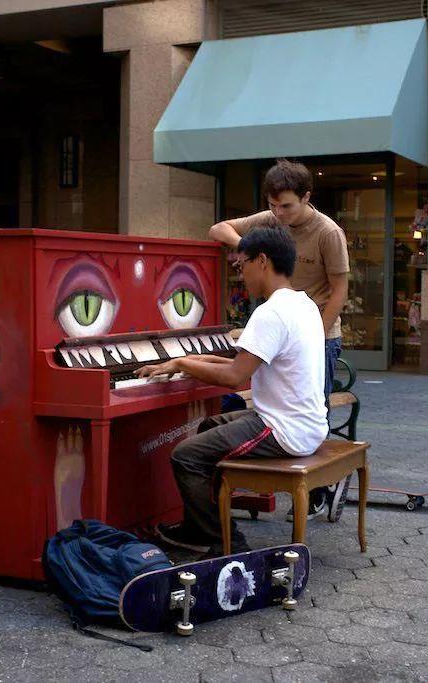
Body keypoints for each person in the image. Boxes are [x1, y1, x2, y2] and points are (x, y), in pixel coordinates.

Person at [137, 227, 328, 555]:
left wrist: (182, 363)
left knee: (186, 455)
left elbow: (235, 375)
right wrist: (191, 361)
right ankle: (199, 523)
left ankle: (222, 540)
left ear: (262, 261)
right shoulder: (302, 304)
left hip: (284, 429)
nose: (241, 275)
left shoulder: (271, 313)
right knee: (209, 427)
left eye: (242, 265)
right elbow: (246, 361)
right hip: (305, 422)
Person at [208, 159, 349, 521]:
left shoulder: (328, 232)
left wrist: (315, 334)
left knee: (310, 408)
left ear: (306, 197)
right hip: (282, 322)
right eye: (272, 205)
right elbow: (217, 229)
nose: (279, 213)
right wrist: (252, 250)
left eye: (286, 205)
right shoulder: (271, 221)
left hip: (317, 330)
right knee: (277, 405)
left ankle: (317, 491)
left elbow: (340, 291)